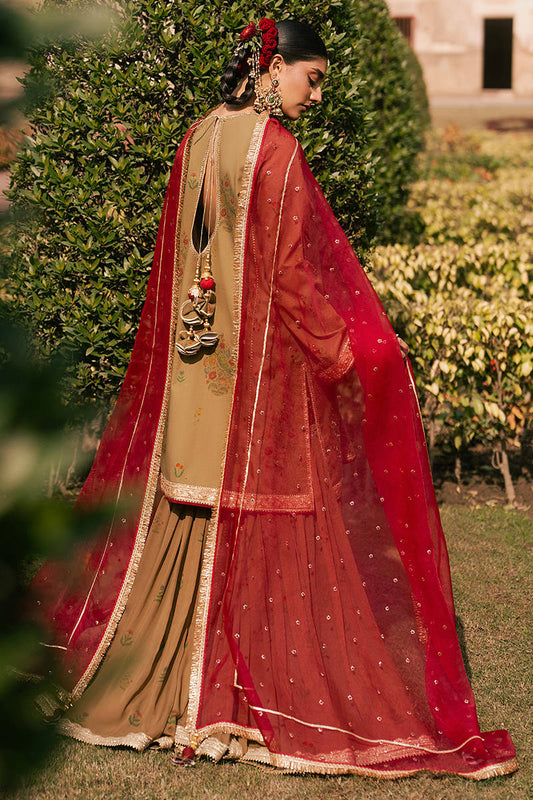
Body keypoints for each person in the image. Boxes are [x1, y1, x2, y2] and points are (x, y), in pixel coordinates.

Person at [32, 18, 518, 779]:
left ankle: (167, 696)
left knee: (191, 516)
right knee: (270, 523)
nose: (315, 96)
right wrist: (347, 353)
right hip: (259, 383)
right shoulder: (276, 152)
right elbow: (290, 276)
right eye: (310, 78)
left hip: (194, 373)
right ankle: (238, 705)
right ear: (272, 66)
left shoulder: (198, 136)